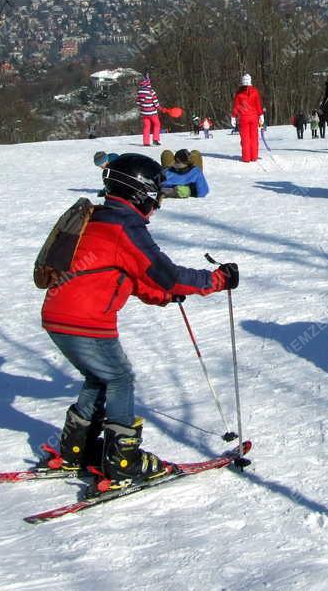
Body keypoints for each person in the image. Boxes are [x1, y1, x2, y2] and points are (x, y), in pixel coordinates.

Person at [41, 153, 238, 485]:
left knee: (98, 378)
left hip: (58, 316)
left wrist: (164, 295)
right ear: (140, 191)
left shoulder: (99, 218)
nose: (157, 203)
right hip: (86, 321)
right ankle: (123, 462)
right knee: (119, 379)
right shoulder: (124, 226)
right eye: (156, 194)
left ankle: (76, 449)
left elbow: (126, 277)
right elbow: (165, 273)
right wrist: (214, 280)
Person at [232, 73, 263, 162]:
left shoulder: (239, 93)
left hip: (243, 118)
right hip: (254, 117)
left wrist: (233, 116)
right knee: (254, 137)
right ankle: (254, 156)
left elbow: (236, 106)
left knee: (245, 138)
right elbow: (258, 105)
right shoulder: (255, 92)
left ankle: (246, 157)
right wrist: (261, 115)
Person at [136, 72, 162, 146]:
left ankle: (146, 142)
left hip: (144, 113)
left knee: (146, 126)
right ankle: (155, 140)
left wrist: (143, 107)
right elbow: (156, 103)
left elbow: (138, 103)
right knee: (157, 124)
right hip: (152, 113)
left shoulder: (139, 92)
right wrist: (160, 108)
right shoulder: (151, 91)